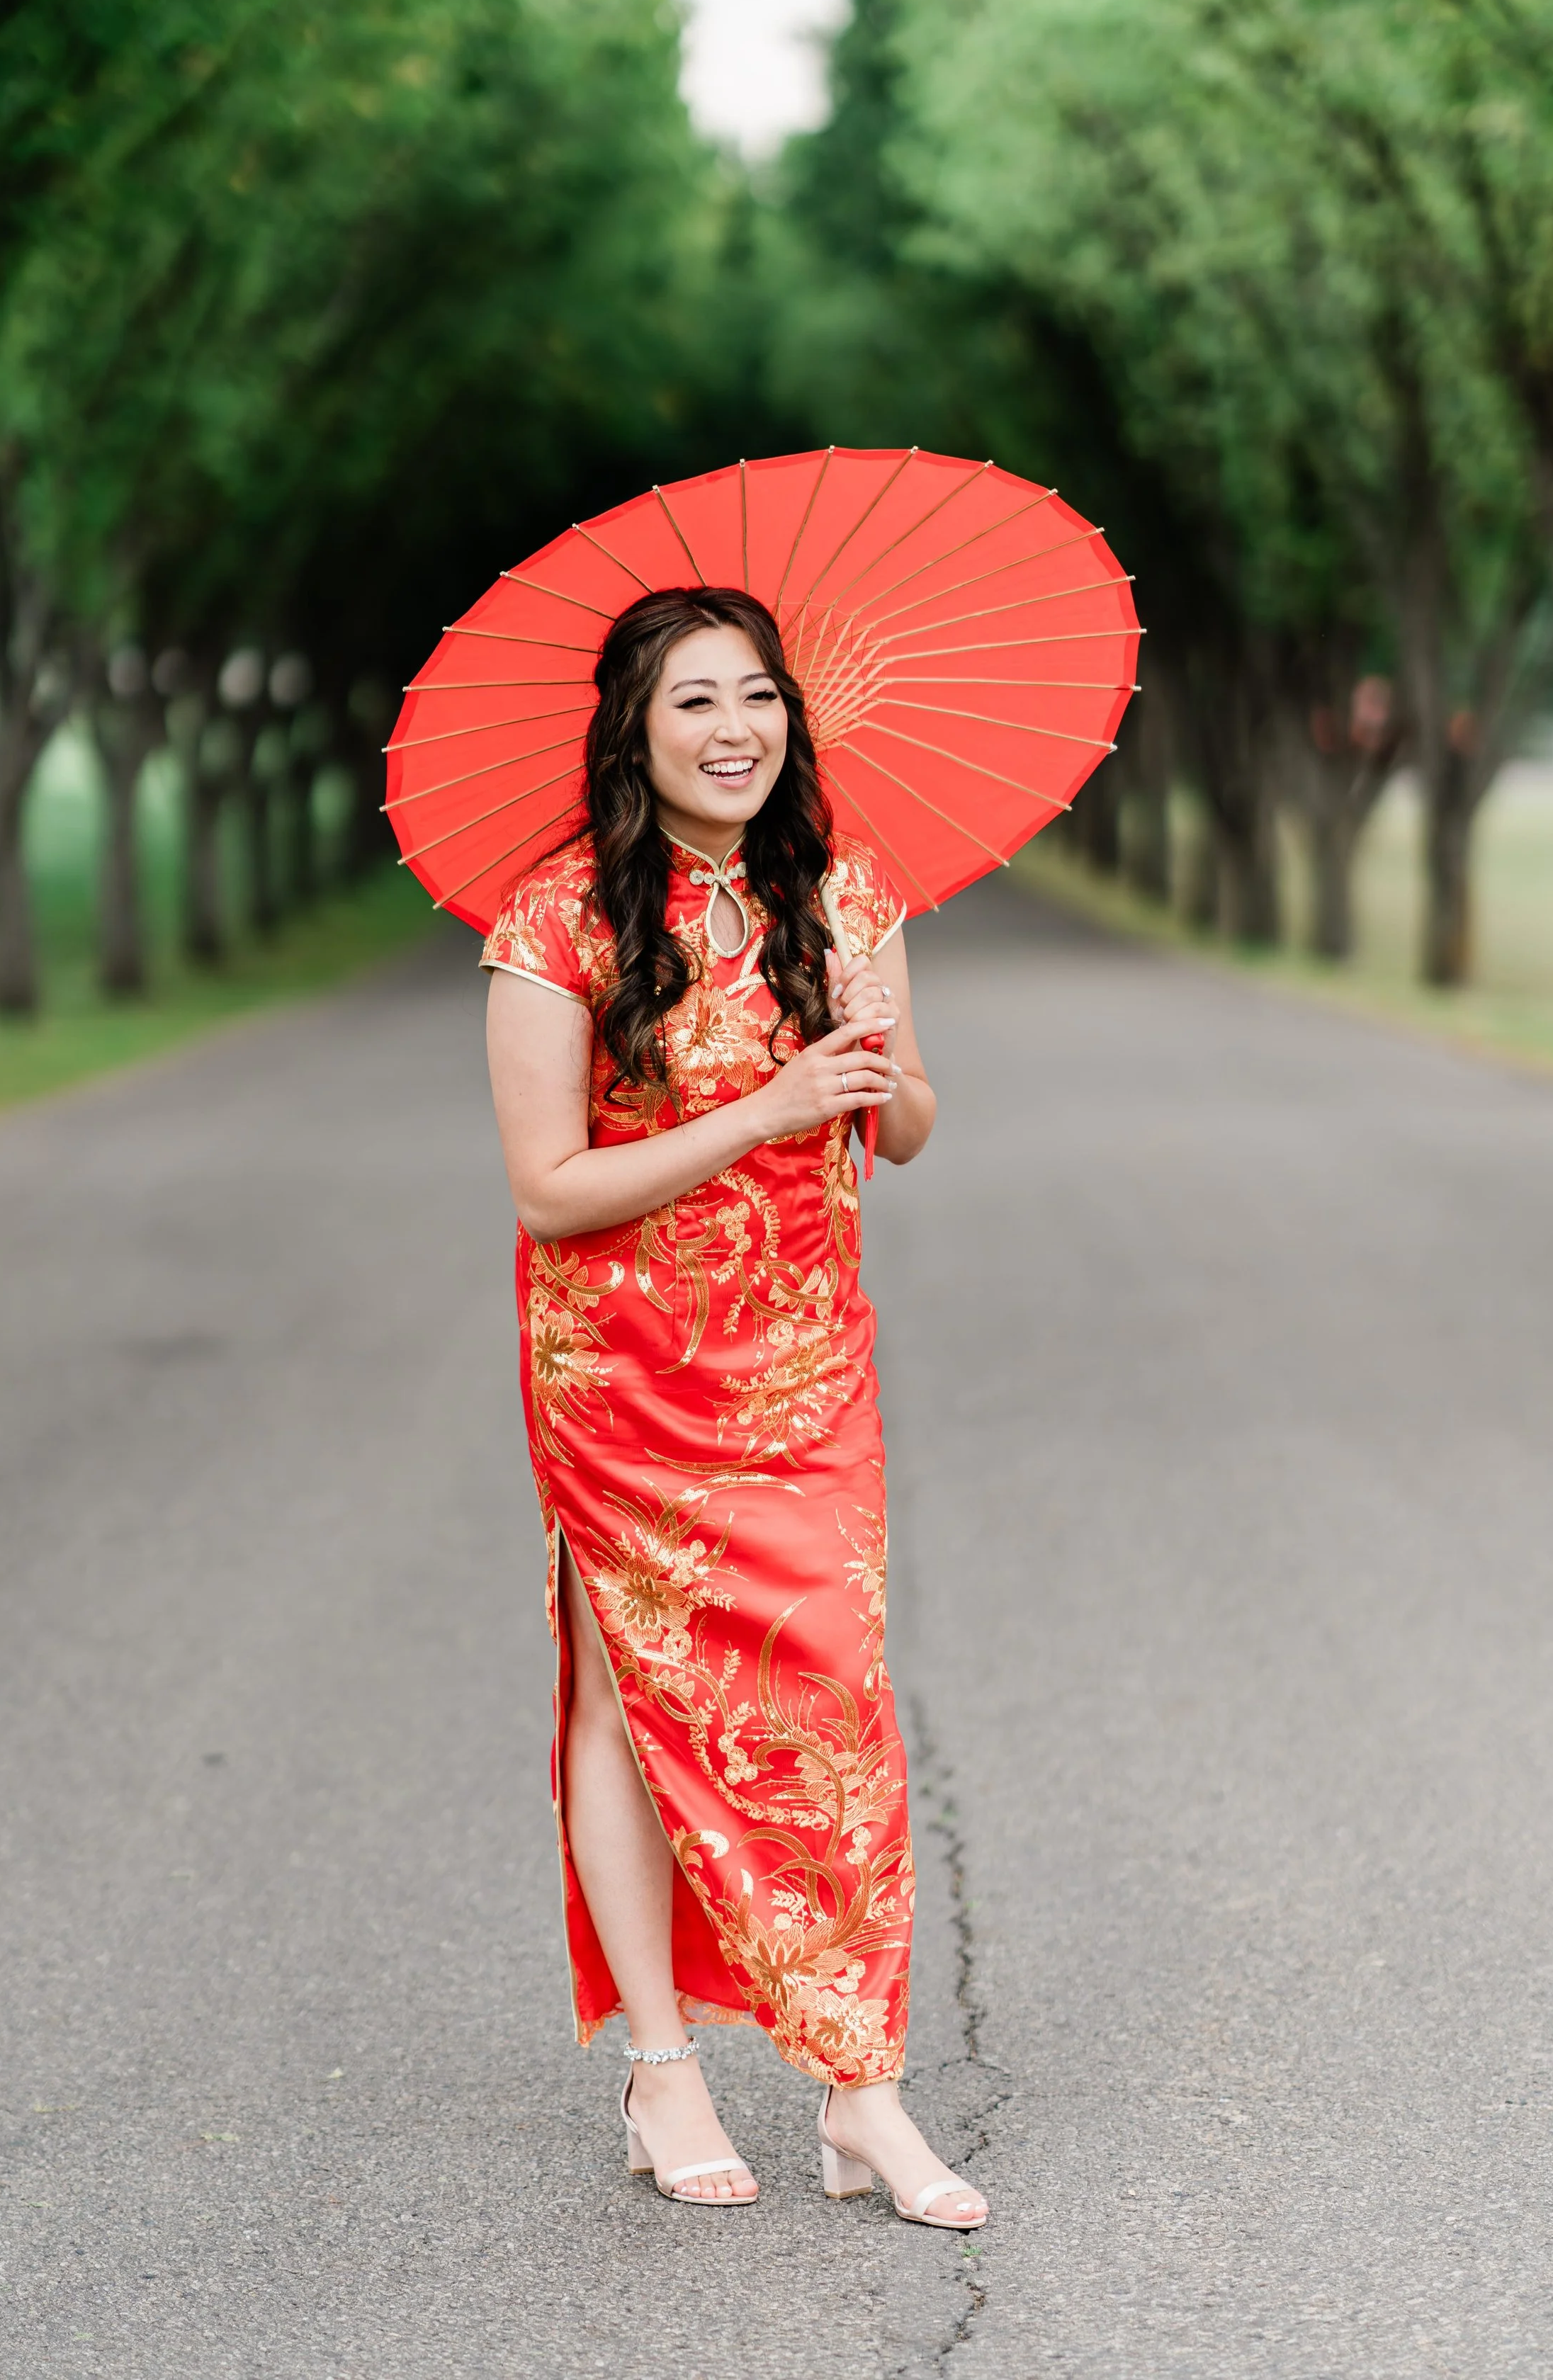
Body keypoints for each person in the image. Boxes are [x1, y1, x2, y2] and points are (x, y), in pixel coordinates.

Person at [482, 584, 987, 2228]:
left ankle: (862, 2091)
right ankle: (660, 2065)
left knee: (835, 1701)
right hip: (621, 1372)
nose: (734, 730)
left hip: (804, 1361)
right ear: (634, 728)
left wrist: (875, 1049)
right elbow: (550, 1188)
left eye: (757, 697)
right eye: (694, 701)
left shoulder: (841, 892)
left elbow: (899, 1134)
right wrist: (767, 1102)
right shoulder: (556, 922)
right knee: (630, 1701)